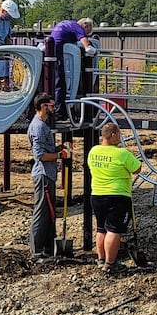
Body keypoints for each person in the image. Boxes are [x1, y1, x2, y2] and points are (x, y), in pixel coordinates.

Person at [87, 120, 143, 274]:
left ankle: (101, 259)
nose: (120, 137)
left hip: (97, 194)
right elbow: (137, 168)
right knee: (114, 229)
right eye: (118, 134)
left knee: (101, 228)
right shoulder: (122, 153)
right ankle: (110, 263)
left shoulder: (93, 151)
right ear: (113, 135)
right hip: (117, 195)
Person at [27, 92, 67, 262]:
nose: (53, 108)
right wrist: (60, 156)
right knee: (41, 213)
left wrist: (59, 148)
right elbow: (40, 155)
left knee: (49, 213)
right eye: (51, 106)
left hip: (48, 174)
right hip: (43, 174)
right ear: (43, 107)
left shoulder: (42, 125)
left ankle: (47, 249)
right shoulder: (39, 127)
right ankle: (36, 253)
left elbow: (47, 151)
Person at [49, 17, 95, 115]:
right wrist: (90, 49)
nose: (86, 34)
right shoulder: (78, 27)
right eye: (87, 32)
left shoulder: (66, 23)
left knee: (55, 79)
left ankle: (57, 108)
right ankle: (59, 111)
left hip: (53, 47)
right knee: (60, 80)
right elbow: (84, 42)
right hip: (58, 49)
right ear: (85, 26)